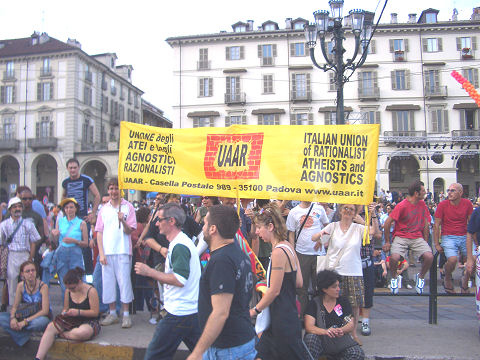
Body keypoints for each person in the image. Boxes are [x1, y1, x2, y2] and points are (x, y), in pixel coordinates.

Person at [187, 205, 256, 360]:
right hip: (238, 342)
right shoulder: (239, 254)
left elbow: (220, 313)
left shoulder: (222, 261)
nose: (202, 227)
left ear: (213, 229)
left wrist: (197, 352)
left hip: (228, 349)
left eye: (204, 223)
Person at [135, 202, 201, 360]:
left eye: (159, 220)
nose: (156, 223)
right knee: (203, 354)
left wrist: (149, 271)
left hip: (178, 313)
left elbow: (180, 279)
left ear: (171, 221)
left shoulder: (179, 246)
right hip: (188, 311)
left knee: (154, 356)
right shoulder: (179, 243)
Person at [312, 203, 378, 344]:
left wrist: (373, 215)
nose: (348, 211)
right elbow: (314, 239)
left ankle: (352, 332)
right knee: (333, 302)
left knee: (354, 305)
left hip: (353, 270)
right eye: (345, 208)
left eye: (351, 209)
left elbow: (373, 231)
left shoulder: (358, 228)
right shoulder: (333, 226)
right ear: (340, 211)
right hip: (335, 272)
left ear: (355, 213)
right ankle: (333, 329)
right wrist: (320, 234)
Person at [249, 203, 307, 360]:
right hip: (288, 315)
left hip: (280, 319)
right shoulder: (288, 246)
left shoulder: (278, 252)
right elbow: (299, 282)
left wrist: (255, 310)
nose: (257, 232)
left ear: (270, 226)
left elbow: (274, 290)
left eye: (259, 227)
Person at [95, 178, 136, 328]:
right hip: (107, 251)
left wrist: (123, 221)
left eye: (116, 188)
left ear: (121, 190)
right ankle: (112, 313)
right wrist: (102, 253)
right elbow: (99, 232)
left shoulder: (128, 207)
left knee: (124, 282)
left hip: (123, 251)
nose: (113, 191)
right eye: (111, 188)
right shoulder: (104, 209)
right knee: (108, 283)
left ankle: (126, 315)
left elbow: (129, 230)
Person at [34, 267, 100, 360]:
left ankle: (61, 334)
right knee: (50, 327)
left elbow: (95, 312)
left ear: (79, 282)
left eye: (73, 288)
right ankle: (38, 357)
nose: (71, 290)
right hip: (72, 318)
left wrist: (78, 312)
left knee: (82, 333)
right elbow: (65, 308)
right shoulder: (68, 291)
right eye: (69, 288)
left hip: (88, 320)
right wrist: (65, 312)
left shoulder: (91, 291)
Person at [383, 180, 433, 295]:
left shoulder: (422, 205)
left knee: (429, 256)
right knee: (394, 258)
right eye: (423, 191)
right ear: (416, 193)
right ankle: (394, 277)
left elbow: (425, 224)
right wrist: (387, 242)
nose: (425, 192)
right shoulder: (402, 205)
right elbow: (387, 223)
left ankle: (420, 276)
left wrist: (424, 242)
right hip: (401, 236)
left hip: (416, 237)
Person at [303, 270, 365, 360]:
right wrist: (326, 331)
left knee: (358, 353)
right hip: (321, 340)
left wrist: (341, 330)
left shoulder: (343, 302)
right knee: (310, 339)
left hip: (340, 342)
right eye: (334, 287)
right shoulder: (314, 303)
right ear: (324, 289)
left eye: (338, 286)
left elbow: (350, 323)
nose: (338, 289)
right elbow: (309, 327)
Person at [286, 200, 329, 317]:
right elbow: (291, 233)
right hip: (301, 253)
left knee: (320, 286)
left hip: (318, 254)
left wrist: (321, 241)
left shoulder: (319, 209)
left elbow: (328, 228)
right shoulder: (294, 212)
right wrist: (293, 252)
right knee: (301, 287)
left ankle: (319, 315)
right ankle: (302, 315)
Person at [62, 158, 101, 275]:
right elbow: (63, 197)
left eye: (75, 167)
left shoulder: (86, 180)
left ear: (78, 168)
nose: (73, 170)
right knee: (69, 244)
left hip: (83, 218)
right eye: (70, 168)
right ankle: (72, 273)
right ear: (67, 169)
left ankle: (89, 276)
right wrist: (64, 213)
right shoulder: (65, 182)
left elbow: (97, 195)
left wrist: (92, 213)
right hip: (70, 218)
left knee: (85, 247)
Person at [0, 197, 41, 306]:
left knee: (30, 280)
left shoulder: (28, 224)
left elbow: (34, 241)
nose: (17, 209)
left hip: (25, 254)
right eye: (14, 207)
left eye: (19, 206)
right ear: (10, 209)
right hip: (12, 255)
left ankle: (31, 306)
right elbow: (1, 243)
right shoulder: (4, 225)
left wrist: (30, 258)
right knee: (12, 282)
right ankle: (14, 308)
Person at [433, 183, 473, 294]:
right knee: (452, 259)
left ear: (460, 193)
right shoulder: (442, 205)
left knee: (473, 259)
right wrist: (436, 244)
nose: (449, 193)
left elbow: (471, 222)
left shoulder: (467, 203)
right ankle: (447, 277)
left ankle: (465, 280)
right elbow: (436, 225)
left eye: (452, 190)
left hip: (465, 236)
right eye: (448, 190)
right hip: (448, 236)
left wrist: (474, 240)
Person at [0, 261, 50, 346]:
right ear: (22, 274)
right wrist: (13, 318)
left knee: (37, 323)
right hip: (23, 315)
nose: (31, 273)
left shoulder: (43, 287)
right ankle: (22, 335)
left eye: (33, 270)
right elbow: (15, 307)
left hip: (37, 317)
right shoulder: (20, 286)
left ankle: (19, 332)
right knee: (2, 318)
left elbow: (45, 311)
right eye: (28, 271)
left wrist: (25, 322)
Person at [50, 198, 88, 298]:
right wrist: (54, 234)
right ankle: (66, 305)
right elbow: (55, 241)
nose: (69, 210)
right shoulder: (60, 221)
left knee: (78, 279)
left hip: (75, 252)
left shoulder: (81, 223)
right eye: (66, 208)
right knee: (64, 281)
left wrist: (74, 241)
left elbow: (86, 243)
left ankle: (79, 302)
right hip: (62, 252)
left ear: (76, 209)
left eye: (71, 207)